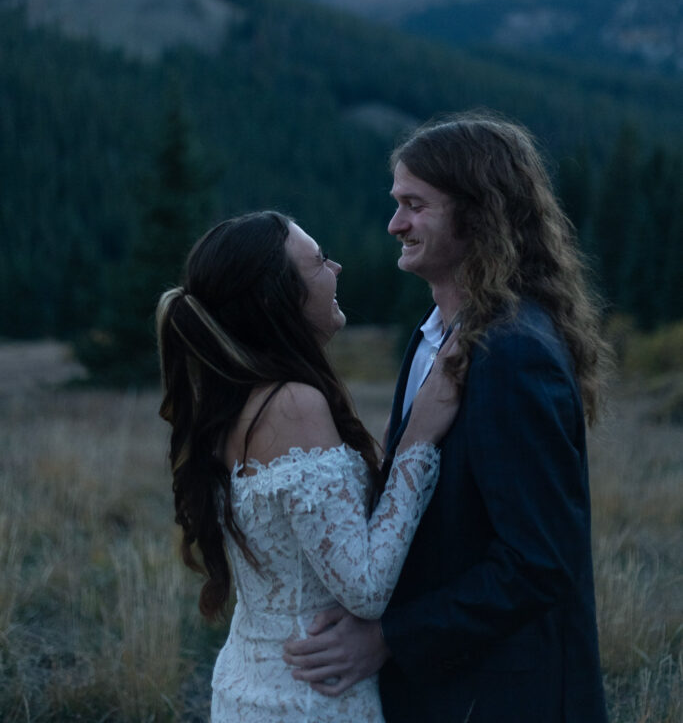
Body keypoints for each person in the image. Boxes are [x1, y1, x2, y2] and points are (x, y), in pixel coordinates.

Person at [284, 114, 611, 723]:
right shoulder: (438, 336)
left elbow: (539, 561)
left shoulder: (511, 352)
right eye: (396, 203)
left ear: (479, 213)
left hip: (507, 697)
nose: (395, 224)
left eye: (415, 205)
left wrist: (389, 639)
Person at [156, 210, 461, 723]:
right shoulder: (291, 405)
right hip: (309, 697)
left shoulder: (235, 403)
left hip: (252, 685)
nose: (336, 268)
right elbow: (364, 587)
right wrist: (420, 440)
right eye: (318, 261)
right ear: (278, 297)